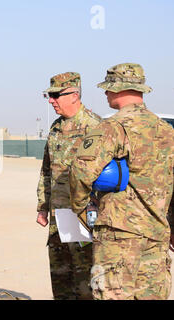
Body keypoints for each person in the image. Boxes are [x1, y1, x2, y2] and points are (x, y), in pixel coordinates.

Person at [69, 63, 174, 300]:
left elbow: (80, 171)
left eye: (107, 89)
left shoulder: (113, 127)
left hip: (119, 235)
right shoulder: (166, 130)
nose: (105, 93)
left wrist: (82, 210)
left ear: (116, 89)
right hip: (156, 234)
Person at [36, 72, 101, 300]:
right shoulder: (55, 128)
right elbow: (46, 170)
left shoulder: (95, 127)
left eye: (55, 95)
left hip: (83, 218)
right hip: (57, 218)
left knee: (85, 281)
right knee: (60, 279)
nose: (51, 100)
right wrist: (43, 206)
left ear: (74, 95)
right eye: (49, 95)